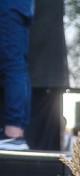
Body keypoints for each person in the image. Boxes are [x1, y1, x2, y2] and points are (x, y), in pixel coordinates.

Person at [0, 0, 33, 150]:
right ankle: (15, 132)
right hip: (17, 6)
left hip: (9, 5)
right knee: (15, 64)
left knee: (12, 65)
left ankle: (13, 132)